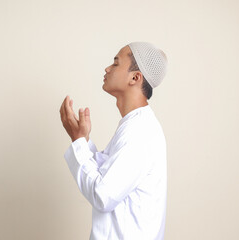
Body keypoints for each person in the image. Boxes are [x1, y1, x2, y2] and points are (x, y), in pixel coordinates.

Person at [59, 42, 168, 240]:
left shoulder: (140, 131)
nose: (107, 68)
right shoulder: (135, 125)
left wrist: (78, 142)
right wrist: (82, 140)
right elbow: (107, 176)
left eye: (116, 63)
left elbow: (103, 195)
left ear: (135, 77)